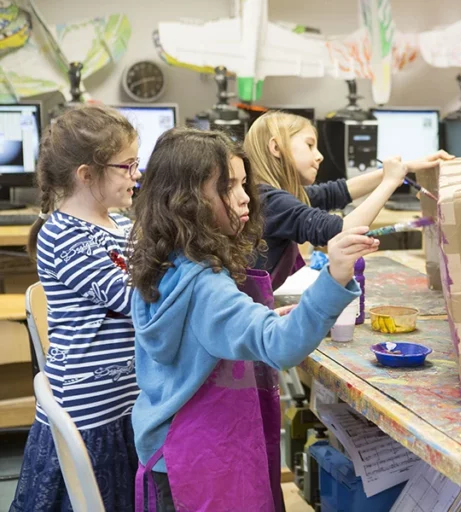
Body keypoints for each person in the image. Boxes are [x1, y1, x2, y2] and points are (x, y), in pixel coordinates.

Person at [128, 128, 378, 511]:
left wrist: (257, 319)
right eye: (228, 187)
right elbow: (281, 346)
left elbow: (203, 336)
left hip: (168, 452)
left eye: (245, 183)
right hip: (202, 462)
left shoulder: (166, 262)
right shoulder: (206, 287)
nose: (246, 197)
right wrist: (336, 275)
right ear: (187, 201)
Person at [11, 106, 140, 511]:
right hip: (91, 410)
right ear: (87, 175)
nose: (136, 174)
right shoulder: (64, 234)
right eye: (127, 165)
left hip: (122, 399)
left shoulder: (118, 224)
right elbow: (133, 298)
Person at [243, 111, 453, 289]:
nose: (319, 156)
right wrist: (389, 182)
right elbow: (342, 231)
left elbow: (334, 192)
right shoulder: (270, 201)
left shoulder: (265, 194)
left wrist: (405, 168)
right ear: (276, 148)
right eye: (309, 145)